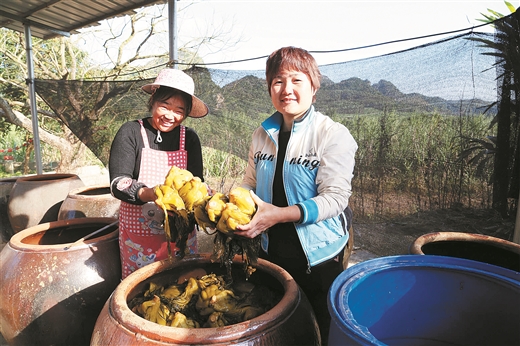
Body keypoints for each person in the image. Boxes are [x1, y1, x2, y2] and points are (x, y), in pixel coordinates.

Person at [234, 46, 358, 345]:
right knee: (279, 325)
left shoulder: (332, 134)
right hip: (270, 248)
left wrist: (279, 214)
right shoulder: (262, 133)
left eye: (296, 80)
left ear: (313, 87)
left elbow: (335, 197)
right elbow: (249, 182)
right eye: (278, 81)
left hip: (319, 256)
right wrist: (231, 200)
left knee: (320, 328)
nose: (286, 89)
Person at [109, 68, 209, 279]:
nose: (170, 116)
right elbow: (118, 183)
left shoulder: (189, 138)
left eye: (179, 110)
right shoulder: (131, 132)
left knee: (183, 284)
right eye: (165, 106)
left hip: (181, 232)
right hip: (139, 237)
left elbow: (197, 182)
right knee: (143, 291)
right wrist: (152, 194)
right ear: (153, 101)